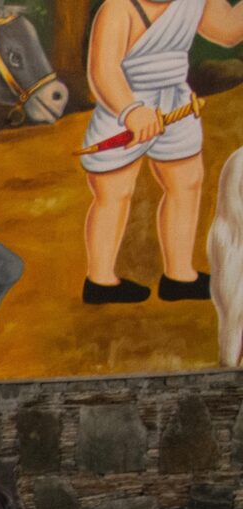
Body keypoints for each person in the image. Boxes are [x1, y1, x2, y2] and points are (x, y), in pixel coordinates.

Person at [79, 0, 240, 305]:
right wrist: (131, 110)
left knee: (187, 183)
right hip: (123, 104)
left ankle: (179, 276)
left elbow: (228, 31)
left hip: (176, 98)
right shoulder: (118, 8)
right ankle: (100, 280)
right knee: (113, 192)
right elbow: (103, 71)